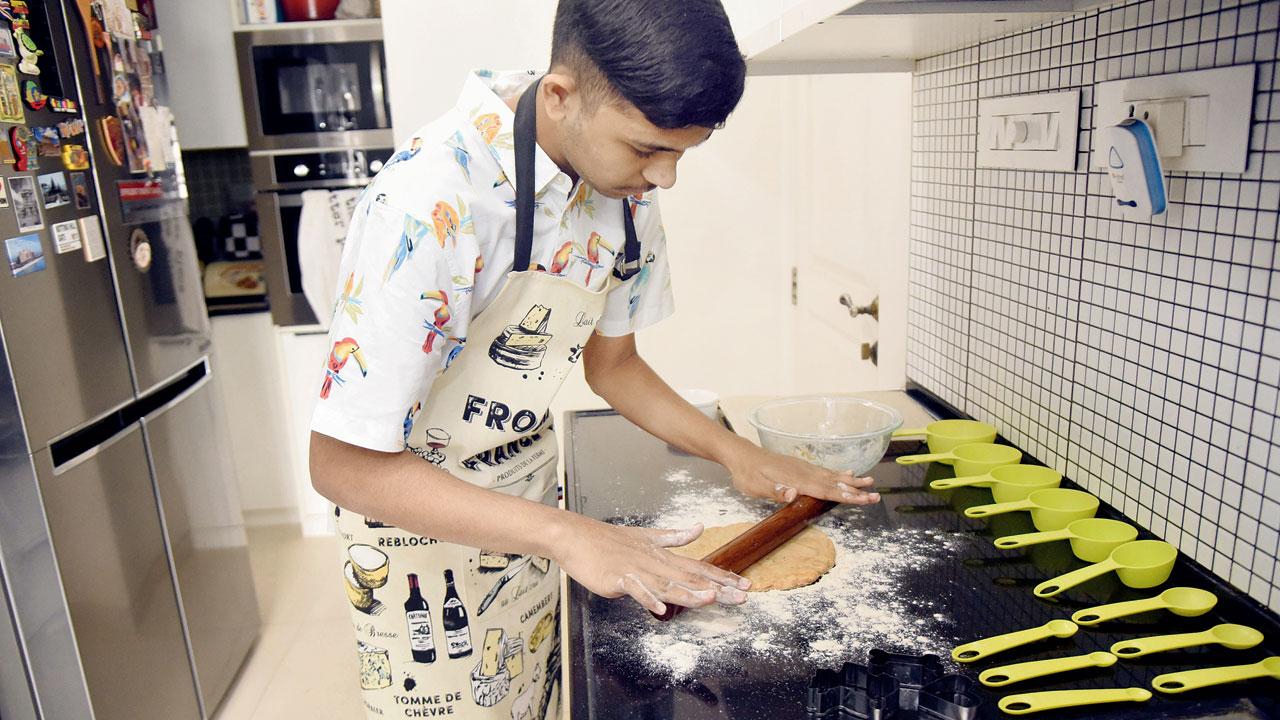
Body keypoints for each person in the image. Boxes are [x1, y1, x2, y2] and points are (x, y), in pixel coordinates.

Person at [308, 0, 881, 716]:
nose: (666, 178)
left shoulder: (622, 188)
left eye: (682, 152)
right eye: (647, 149)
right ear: (560, 96)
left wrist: (738, 454)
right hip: (422, 540)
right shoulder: (429, 205)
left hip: (530, 511)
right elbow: (342, 463)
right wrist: (569, 534)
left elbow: (614, 366)